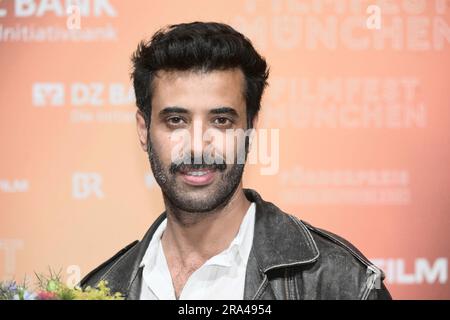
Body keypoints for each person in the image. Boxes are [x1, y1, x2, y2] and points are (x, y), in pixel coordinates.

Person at [80, 21, 391, 300]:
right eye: (176, 120)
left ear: (251, 129)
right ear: (144, 129)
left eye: (221, 121)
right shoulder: (100, 290)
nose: (198, 146)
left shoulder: (339, 282)